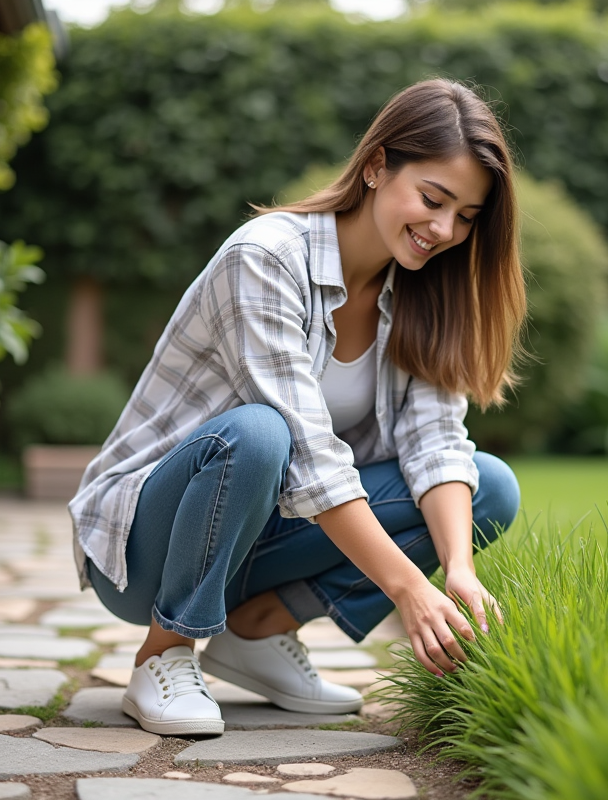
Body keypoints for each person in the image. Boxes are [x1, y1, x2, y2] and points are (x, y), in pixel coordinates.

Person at [69, 78, 527, 736]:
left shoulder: (425, 291)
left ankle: (257, 633)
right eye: (433, 199)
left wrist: (456, 571)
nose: (445, 229)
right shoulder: (265, 258)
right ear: (375, 166)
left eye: (467, 216)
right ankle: (162, 653)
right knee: (258, 435)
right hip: (146, 547)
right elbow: (308, 457)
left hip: (261, 538)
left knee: (489, 488)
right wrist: (407, 589)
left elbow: (436, 443)